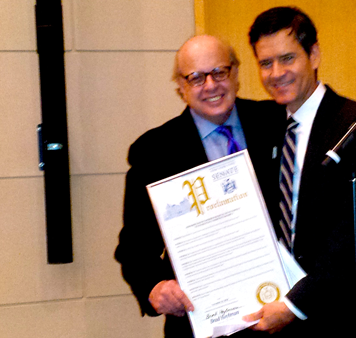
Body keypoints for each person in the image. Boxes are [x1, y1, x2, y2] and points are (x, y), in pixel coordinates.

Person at [242, 7, 356, 337]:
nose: (276, 72)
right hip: (299, 318)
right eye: (265, 63)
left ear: (314, 55)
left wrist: (294, 304)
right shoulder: (269, 127)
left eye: (287, 58)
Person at [114, 35, 282, 337]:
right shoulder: (154, 151)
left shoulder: (277, 122)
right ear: (180, 87)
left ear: (236, 73)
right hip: (202, 322)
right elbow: (134, 247)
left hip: (282, 317)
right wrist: (155, 287)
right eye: (195, 78)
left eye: (220, 72)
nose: (210, 86)